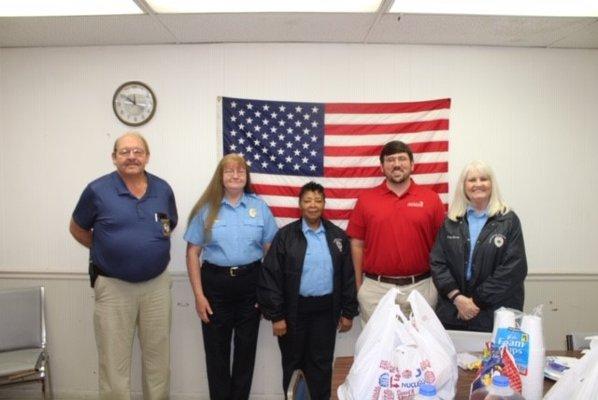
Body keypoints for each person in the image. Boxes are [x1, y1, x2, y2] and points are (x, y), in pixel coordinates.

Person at [69, 132, 177, 400]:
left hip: (157, 286)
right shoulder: (97, 190)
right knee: (114, 363)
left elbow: (168, 225)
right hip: (113, 287)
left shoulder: (163, 189)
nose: (132, 157)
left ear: (147, 157)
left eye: (138, 151)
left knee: (158, 360)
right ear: (114, 157)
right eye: (125, 151)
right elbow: (78, 229)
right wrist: (107, 249)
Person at [184, 153, 277, 400]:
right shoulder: (206, 209)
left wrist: (266, 292)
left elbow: (272, 254)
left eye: (240, 172)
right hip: (215, 287)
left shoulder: (259, 207)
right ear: (220, 177)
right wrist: (199, 296)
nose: (235, 176)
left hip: (251, 286)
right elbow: (193, 253)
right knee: (216, 355)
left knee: (246, 353)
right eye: (229, 172)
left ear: (246, 177)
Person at [258, 182, 358, 400]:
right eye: (308, 200)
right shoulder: (285, 236)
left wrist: (348, 312)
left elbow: (348, 277)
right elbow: (271, 277)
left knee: (321, 366)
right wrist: (276, 316)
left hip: (325, 312)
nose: (313, 205)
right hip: (293, 313)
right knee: (293, 366)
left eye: (318, 200)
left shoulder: (337, 236)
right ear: (300, 204)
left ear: (324, 204)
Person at [346, 140, 445, 323]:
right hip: (376, 290)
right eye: (390, 160)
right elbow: (357, 244)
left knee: (420, 348)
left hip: (421, 288)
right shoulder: (366, 200)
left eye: (402, 159)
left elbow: (442, 246)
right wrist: (360, 287)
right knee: (378, 350)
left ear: (412, 164)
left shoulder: (431, 199)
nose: (397, 164)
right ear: (382, 167)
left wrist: (437, 286)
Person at [430, 160, 527, 332]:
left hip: (495, 314)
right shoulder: (451, 221)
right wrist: (458, 298)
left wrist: (475, 302)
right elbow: (438, 263)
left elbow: (514, 269)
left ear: (492, 184)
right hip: (454, 312)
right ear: (464, 186)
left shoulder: (509, 220)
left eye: (483, 179)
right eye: (472, 180)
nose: (478, 184)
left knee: (494, 360)